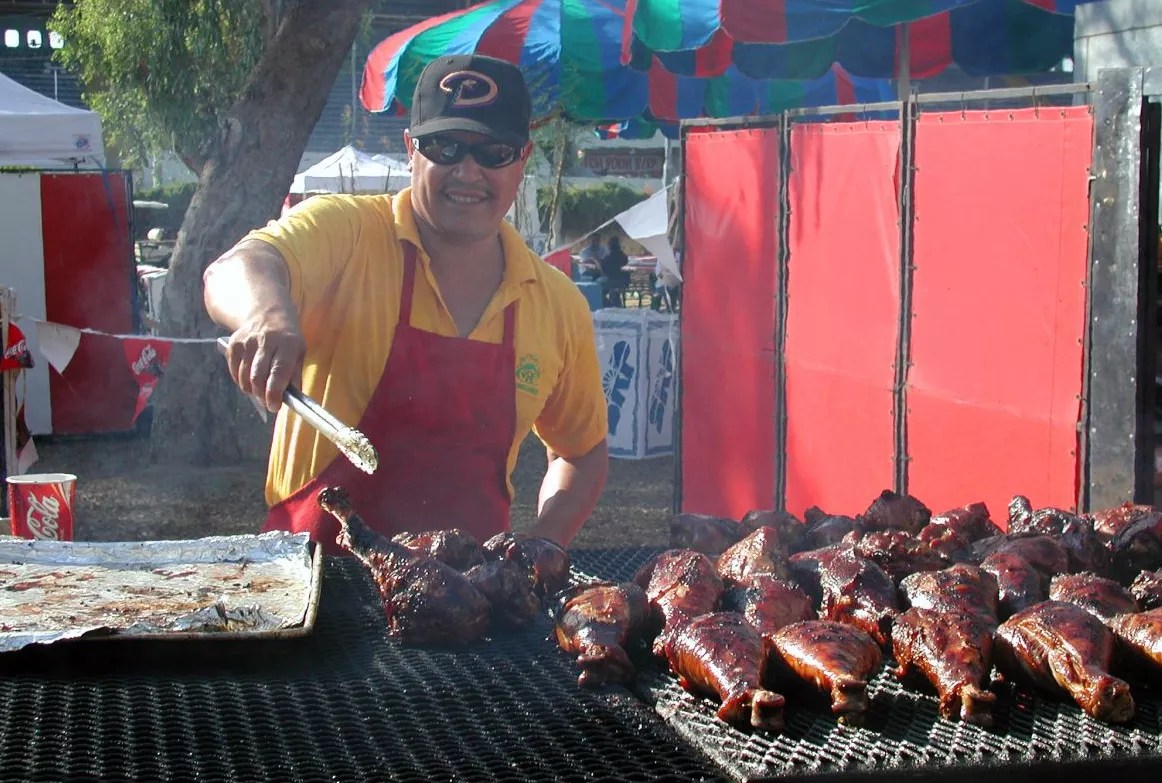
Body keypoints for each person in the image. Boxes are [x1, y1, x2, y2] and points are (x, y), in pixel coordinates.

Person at [203, 54, 609, 554]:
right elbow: (237, 266)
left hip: (465, 611)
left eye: (494, 152)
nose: (467, 171)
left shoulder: (556, 304)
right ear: (410, 150)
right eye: (445, 146)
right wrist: (266, 314)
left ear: (522, 159)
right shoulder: (348, 233)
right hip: (308, 589)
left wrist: (545, 542)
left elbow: (581, 452)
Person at [598, 235, 631, 307]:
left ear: (609, 245)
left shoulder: (608, 257)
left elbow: (603, 269)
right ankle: (614, 302)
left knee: (596, 286)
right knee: (612, 290)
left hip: (611, 280)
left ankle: (607, 304)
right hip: (622, 280)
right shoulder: (622, 255)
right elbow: (625, 261)